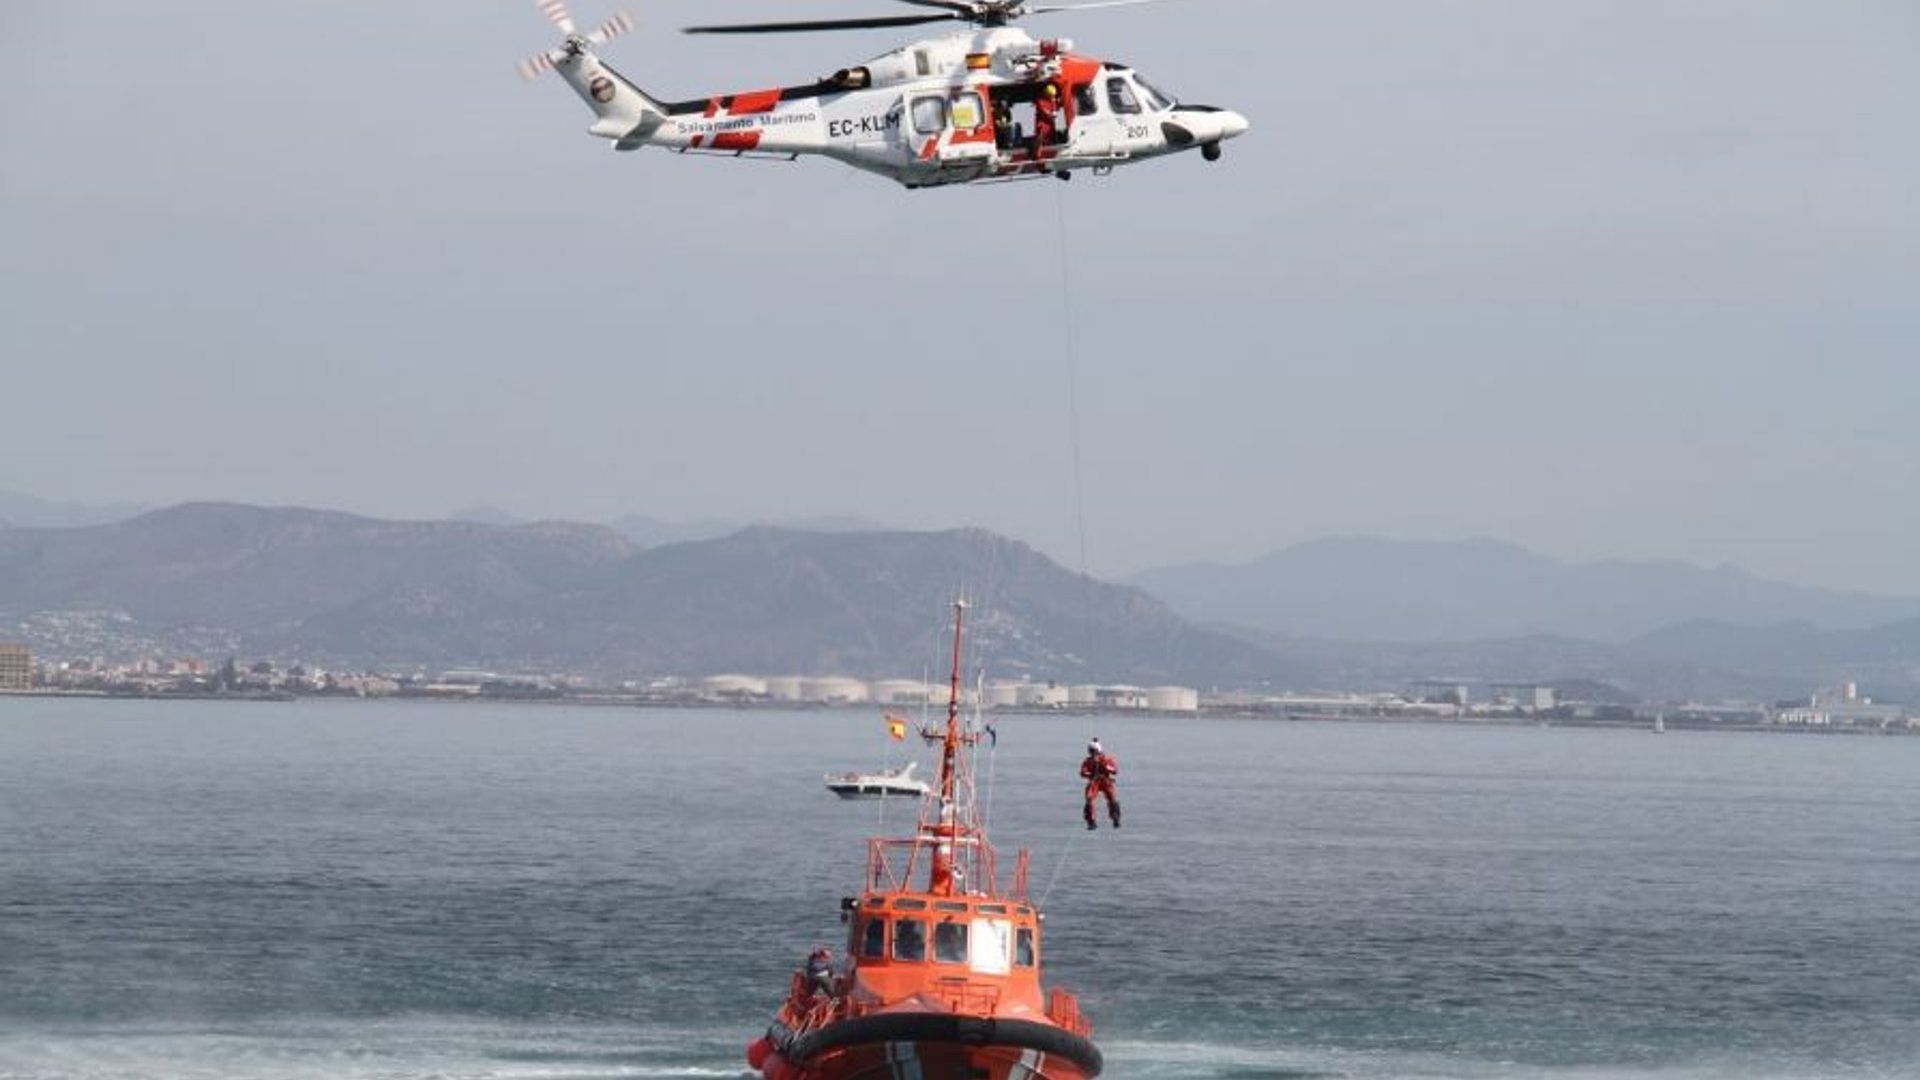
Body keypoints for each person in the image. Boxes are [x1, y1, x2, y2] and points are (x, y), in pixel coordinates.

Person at [1079, 738, 1120, 830]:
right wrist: (1090, 774)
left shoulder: (1106, 759)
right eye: (1091, 751)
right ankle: (1091, 822)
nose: (1092, 753)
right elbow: (1082, 772)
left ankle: (1115, 818)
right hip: (1094, 782)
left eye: (1093, 751)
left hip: (1105, 781)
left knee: (1112, 799)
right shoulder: (1088, 761)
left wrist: (1105, 766)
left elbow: (1115, 770)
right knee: (1089, 799)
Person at [1033, 81, 1062, 156]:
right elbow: (1044, 111)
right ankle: (1036, 153)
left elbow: (1057, 107)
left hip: (1050, 123)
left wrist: (1058, 102)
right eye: (1051, 96)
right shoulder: (1040, 101)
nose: (1052, 97)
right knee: (1040, 135)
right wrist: (1051, 114)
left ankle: (1050, 151)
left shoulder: (1053, 101)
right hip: (1042, 122)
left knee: (1050, 136)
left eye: (1053, 96)